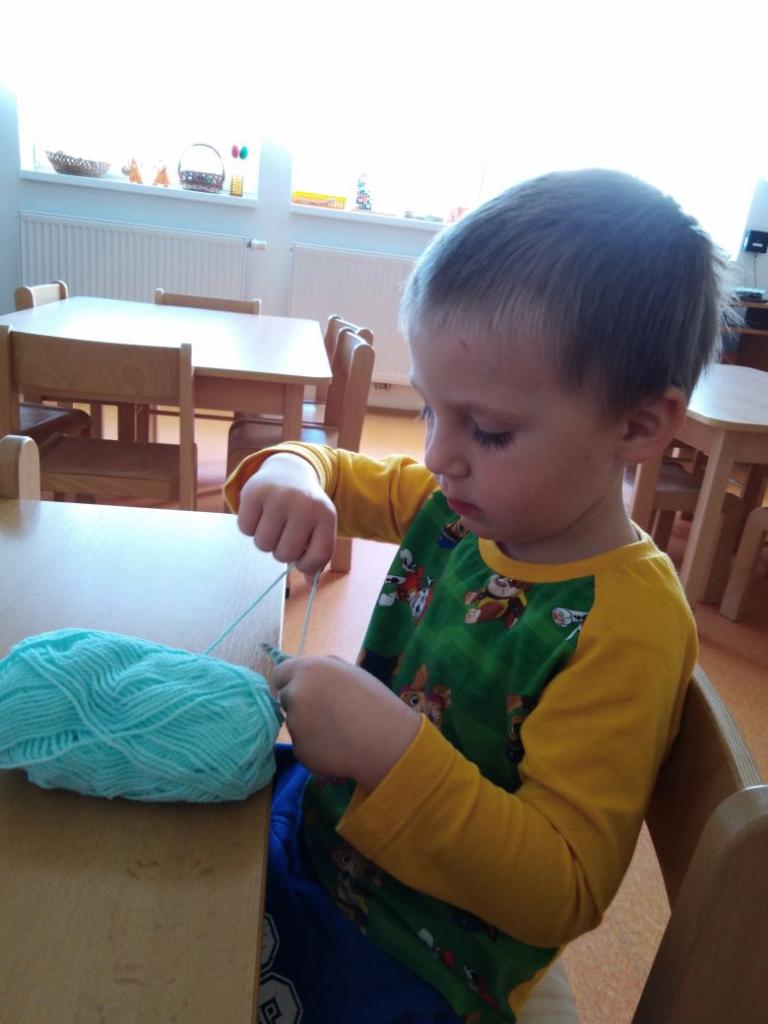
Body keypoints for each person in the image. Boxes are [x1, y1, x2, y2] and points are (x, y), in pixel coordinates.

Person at [224, 168, 729, 1023]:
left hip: (421, 956)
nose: (436, 455)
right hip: (325, 838)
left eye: (488, 431)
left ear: (639, 426)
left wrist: (391, 752)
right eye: (428, 410)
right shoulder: (458, 500)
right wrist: (290, 474)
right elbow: (331, 468)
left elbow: (560, 888)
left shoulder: (628, 625)